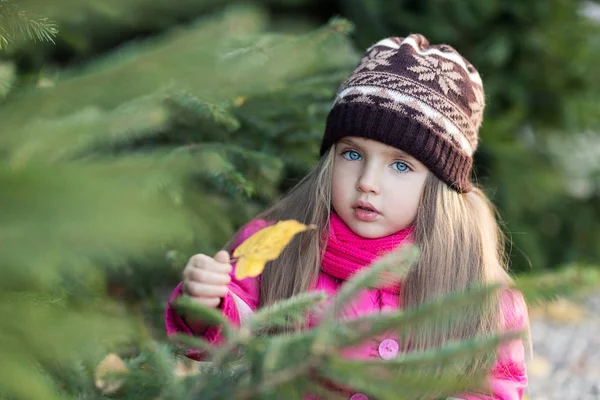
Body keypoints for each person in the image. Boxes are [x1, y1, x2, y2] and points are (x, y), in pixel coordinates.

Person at [165, 34, 530, 399]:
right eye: (352, 155)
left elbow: (492, 388)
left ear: (439, 187)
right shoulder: (280, 246)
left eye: (401, 166)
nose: (367, 183)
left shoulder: (473, 285)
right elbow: (230, 335)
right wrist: (205, 304)